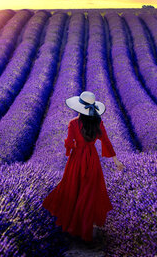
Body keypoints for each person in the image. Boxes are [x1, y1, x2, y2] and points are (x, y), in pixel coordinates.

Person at [42, 91, 125, 243]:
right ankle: (87, 228)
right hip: (92, 160)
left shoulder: (73, 123)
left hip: (76, 160)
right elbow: (106, 141)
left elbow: (69, 143)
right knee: (88, 192)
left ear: (79, 107)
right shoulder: (98, 123)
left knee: (73, 189)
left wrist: (70, 145)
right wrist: (116, 161)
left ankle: (75, 228)